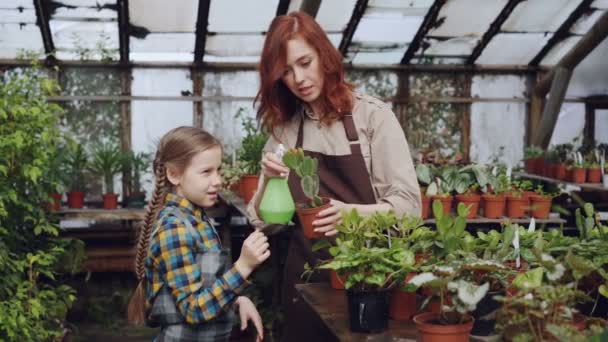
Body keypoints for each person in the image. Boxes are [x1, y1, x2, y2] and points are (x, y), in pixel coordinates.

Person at [246, 11, 421, 342]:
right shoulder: (285, 131)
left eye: (304, 62)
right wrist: (270, 180)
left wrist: (351, 215)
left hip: (370, 280)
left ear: (324, 55)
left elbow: (410, 208)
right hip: (305, 281)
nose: (298, 78)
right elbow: (263, 223)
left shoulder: (373, 117)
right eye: (285, 71)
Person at [127, 126, 269, 341]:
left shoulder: (198, 220)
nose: (218, 180)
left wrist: (238, 300)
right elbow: (193, 309)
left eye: (218, 170)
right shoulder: (174, 229)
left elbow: (205, 287)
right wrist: (243, 267)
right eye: (206, 172)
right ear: (174, 175)